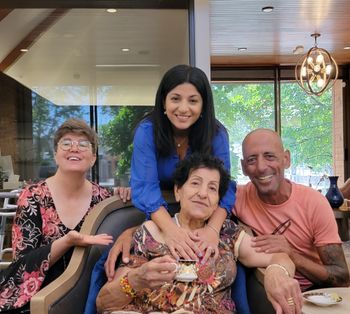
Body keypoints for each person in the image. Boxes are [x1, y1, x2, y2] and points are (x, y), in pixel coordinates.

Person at [96, 154, 302, 314]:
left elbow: (279, 256)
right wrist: (137, 279)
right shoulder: (149, 233)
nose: (203, 193)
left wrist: (276, 272)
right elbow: (103, 302)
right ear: (178, 191)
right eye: (195, 183)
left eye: (212, 188)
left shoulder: (227, 234)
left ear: (216, 203)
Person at [105, 64, 235, 279]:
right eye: (176, 98)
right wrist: (172, 232)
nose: (183, 108)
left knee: (228, 268)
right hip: (157, 214)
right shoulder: (147, 131)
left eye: (193, 100)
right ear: (164, 100)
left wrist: (212, 231)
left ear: (203, 104)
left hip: (205, 215)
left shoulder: (217, 134)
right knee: (119, 260)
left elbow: (225, 188)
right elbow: (146, 189)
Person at [0, 119, 114, 313]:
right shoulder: (33, 196)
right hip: (40, 297)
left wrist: (126, 196)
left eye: (83, 144)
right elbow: (22, 263)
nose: (74, 149)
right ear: (55, 155)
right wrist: (67, 242)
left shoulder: (104, 199)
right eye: (67, 143)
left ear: (93, 157)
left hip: (89, 294)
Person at [234, 128, 350, 292]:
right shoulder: (237, 196)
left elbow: (342, 277)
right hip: (265, 289)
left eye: (269, 156)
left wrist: (291, 253)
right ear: (244, 167)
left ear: (286, 159)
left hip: (314, 291)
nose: (261, 167)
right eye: (252, 160)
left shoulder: (313, 203)